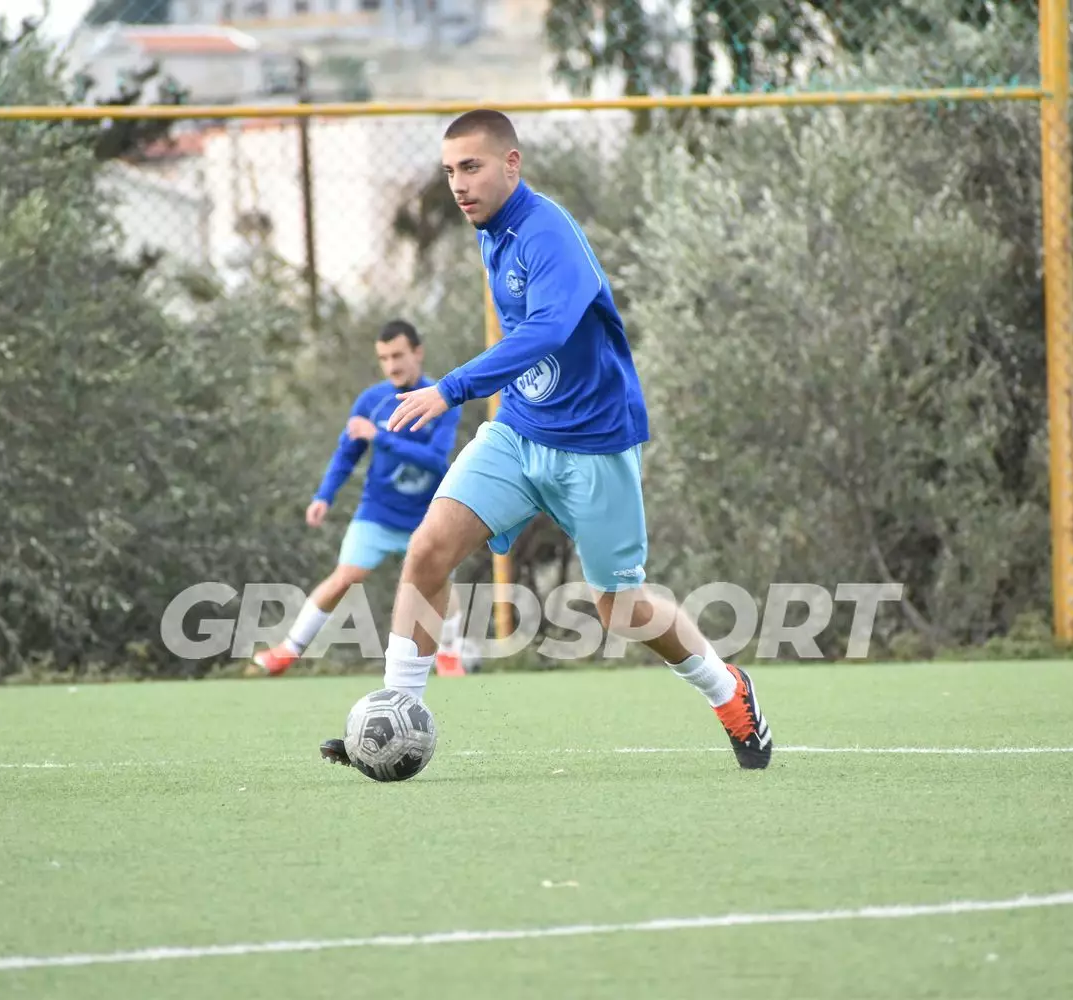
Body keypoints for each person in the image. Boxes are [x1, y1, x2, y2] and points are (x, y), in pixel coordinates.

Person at [320, 111, 772, 769]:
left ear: (512, 164)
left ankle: (728, 692)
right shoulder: (491, 232)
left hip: (594, 443)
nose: (458, 184)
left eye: (471, 167)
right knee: (427, 552)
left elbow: (548, 330)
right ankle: (395, 716)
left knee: (620, 607)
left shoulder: (547, 232)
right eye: (449, 171)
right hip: (519, 431)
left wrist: (450, 388)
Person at [248, 320, 468, 678]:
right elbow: (346, 454)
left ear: (418, 352)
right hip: (378, 512)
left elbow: (435, 460)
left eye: (398, 355)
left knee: (439, 578)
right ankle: (288, 650)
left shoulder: (440, 398)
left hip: (427, 514)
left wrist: (379, 437)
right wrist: (324, 496)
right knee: (346, 576)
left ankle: (449, 657)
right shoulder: (371, 402)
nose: (391, 365)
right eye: (384, 358)